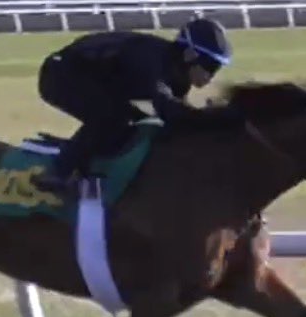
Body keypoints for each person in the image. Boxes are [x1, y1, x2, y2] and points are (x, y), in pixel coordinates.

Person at [29, 17, 243, 194]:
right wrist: (215, 118)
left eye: (217, 69)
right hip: (59, 74)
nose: (211, 76)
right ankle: (59, 172)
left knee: (138, 123)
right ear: (190, 54)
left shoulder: (179, 76)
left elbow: (178, 122)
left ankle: (89, 164)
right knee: (111, 117)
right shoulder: (154, 63)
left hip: (93, 77)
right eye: (211, 66)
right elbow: (171, 113)